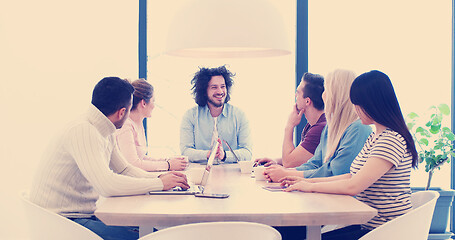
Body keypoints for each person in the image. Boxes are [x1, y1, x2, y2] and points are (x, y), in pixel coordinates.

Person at [29, 77, 190, 240]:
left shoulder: (105, 128)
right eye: (128, 111)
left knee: (154, 232)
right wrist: (159, 184)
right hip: (61, 223)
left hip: (78, 216)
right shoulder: (84, 131)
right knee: (152, 236)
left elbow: (124, 169)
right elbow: (107, 184)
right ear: (122, 112)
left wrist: (161, 178)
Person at [280, 70, 418, 239]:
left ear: (373, 104)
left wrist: (309, 186)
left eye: (358, 104)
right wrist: (306, 181)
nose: (355, 109)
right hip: (370, 226)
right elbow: (351, 176)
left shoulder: (391, 140)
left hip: (384, 231)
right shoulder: (376, 136)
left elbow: (354, 185)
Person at [264, 69, 372, 182]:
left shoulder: (358, 129)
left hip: (345, 199)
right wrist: (286, 173)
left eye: (327, 89)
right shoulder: (328, 129)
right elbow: (315, 163)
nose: (323, 95)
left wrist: (287, 174)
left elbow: (335, 172)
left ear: (337, 94)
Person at [180, 65, 252, 163]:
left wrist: (225, 155)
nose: (220, 91)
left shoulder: (239, 115)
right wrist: (208, 154)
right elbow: (185, 151)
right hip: (199, 174)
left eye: (223, 87)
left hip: (232, 175)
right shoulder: (190, 116)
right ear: (204, 91)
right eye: (214, 87)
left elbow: (247, 152)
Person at [255, 72, 326, 168]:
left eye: (298, 92)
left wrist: (289, 126)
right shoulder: (313, 125)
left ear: (307, 101)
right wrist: (276, 161)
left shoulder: (319, 129)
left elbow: (289, 163)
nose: (295, 95)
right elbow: (298, 158)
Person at [115, 79, 188, 171]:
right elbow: (133, 164)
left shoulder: (137, 123)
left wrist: (168, 160)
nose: (154, 106)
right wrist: (168, 165)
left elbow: (141, 158)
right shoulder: (126, 126)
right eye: (153, 101)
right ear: (144, 103)